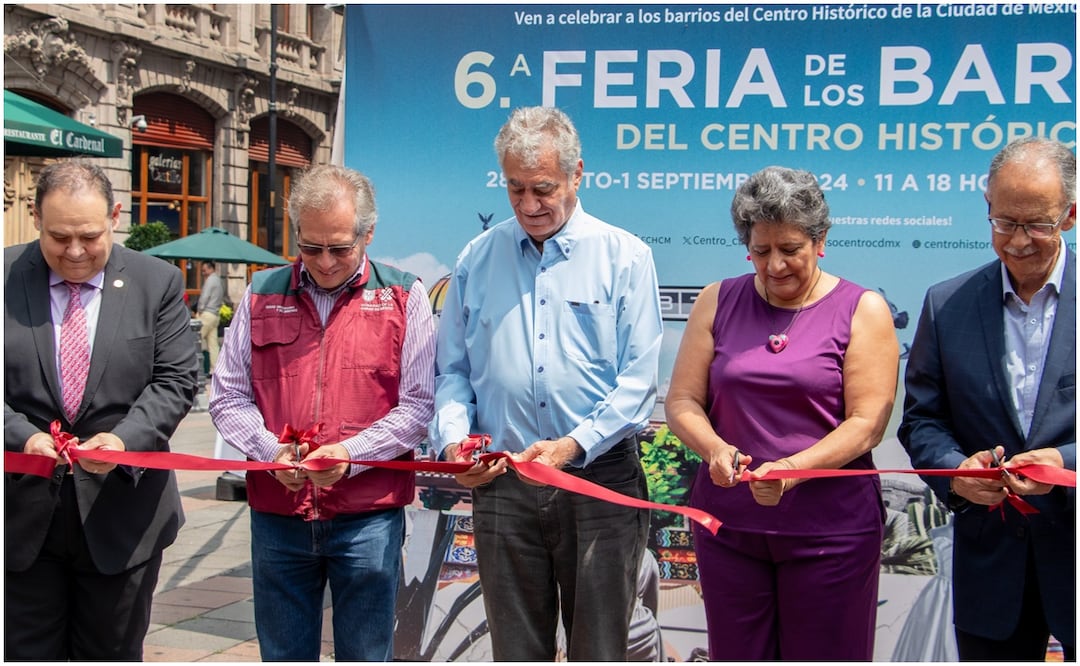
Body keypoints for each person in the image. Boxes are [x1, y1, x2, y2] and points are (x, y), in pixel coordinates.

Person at [429, 106, 663, 661]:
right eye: (515, 188)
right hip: (503, 483)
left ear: (577, 174)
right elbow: (453, 372)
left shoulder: (625, 257)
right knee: (515, 650)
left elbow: (638, 382)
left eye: (543, 189)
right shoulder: (476, 258)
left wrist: (573, 445)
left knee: (600, 650)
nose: (529, 205)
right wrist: (455, 445)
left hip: (598, 480)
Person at [665, 166, 899, 660]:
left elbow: (867, 425)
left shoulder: (863, 309)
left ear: (820, 241)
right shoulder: (716, 300)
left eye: (790, 249)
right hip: (729, 530)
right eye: (760, 250)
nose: (774, 265)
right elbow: (682, 402)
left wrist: (794, 469)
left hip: (831, 534)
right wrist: (715, 449)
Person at [209, 164, 436, 661]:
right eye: (310, 248)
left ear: (368, 233)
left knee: (366, 654)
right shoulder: (262, 293)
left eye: (340, 248)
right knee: (283, 655)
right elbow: (226, 396)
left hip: (368, 516)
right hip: (279, 513)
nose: (325, 262)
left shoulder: (403, 296)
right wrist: (270, 450)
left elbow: (418, 406)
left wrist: (350, 455)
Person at [4, 159, 199, 660]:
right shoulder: (4, 276)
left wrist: (122, 440)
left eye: (89, 236)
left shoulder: (157, 282)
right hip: (19, 517)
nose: (74, 252)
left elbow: (175, 380)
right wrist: (21, 436)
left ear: (115, 217)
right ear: (35, 217)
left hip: (124, 516)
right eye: (58, 237)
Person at [898, 137, 1075, 661]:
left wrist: (1066, 463)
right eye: (1004, 222)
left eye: (1036, 224)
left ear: (1070, 215)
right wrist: (957, 472)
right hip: (990, 570)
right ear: (987, 207)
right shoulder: (946, 304)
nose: (1018, 241)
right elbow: (922, 420)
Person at [196, 260, 224, 377]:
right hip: (215, 315)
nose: (203, 273)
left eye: (204, 270)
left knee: (194, 340)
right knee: (213, 345)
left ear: (210, 268)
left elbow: (204, 296)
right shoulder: (219, 280)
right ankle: (215, 370)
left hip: (207, 314)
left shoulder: (210, 280)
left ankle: (192, 368)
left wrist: (199, 310)